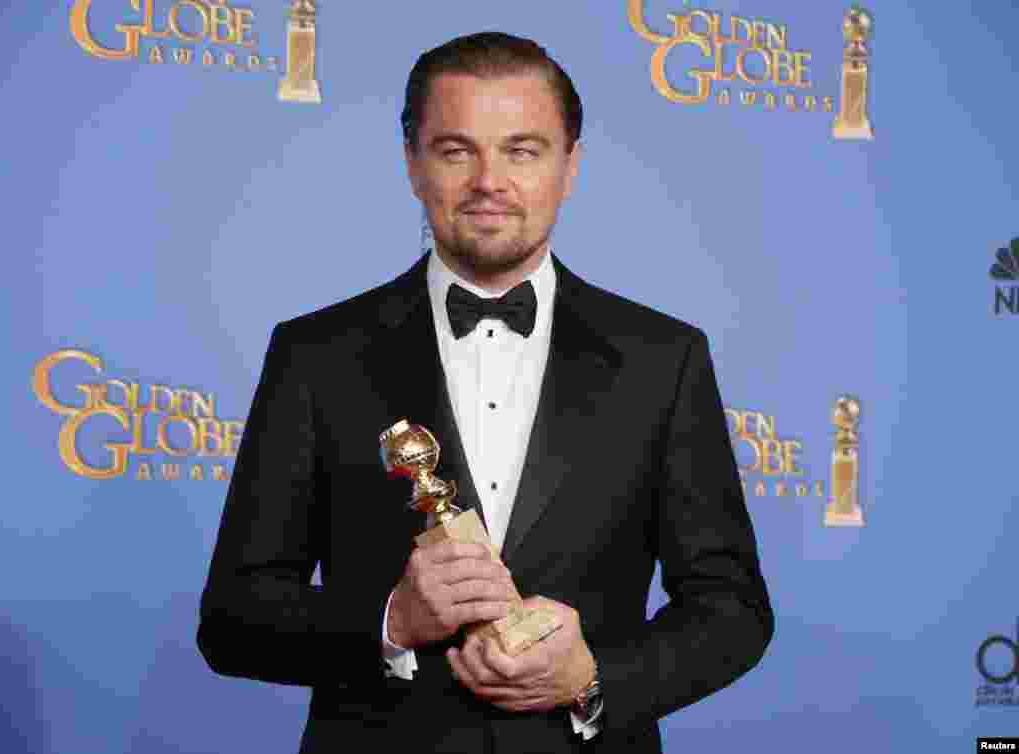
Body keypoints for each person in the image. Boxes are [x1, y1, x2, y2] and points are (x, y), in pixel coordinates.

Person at [196, 31, 774, 754]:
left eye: (522, 150)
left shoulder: (664, 359)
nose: (489, 181)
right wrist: (390, 622)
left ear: (571, 166)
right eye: (456, 150)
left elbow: (733, 609)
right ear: (412, 164)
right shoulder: (316, 354)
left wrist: (594, 678)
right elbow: (233, 619)